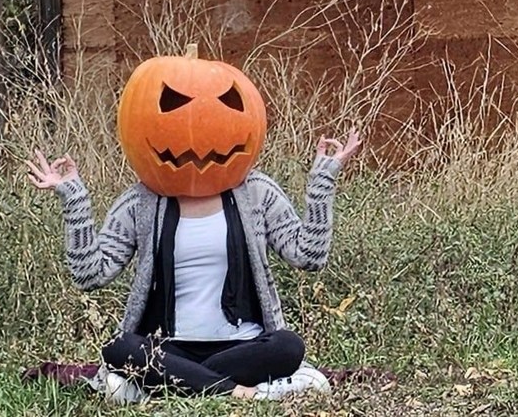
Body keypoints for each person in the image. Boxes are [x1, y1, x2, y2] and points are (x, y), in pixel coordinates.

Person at [25, 54, 362, 403]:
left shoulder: (257, 193)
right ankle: (240, 393)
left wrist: (323, 180)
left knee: (288, 346)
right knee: (119, 347)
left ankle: (175, 388)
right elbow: (90, 275)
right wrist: (74, 198)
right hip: (167, 348)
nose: (198, 126)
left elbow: (308, 256)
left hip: (242, 346)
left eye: (227, 104)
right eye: (174, 104)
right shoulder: (141, 203)